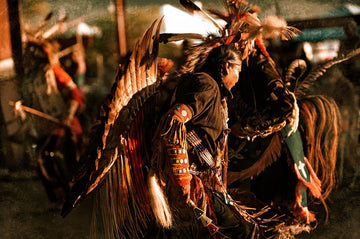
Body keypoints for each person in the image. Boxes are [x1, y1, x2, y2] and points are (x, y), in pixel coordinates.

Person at [148, 44, 255, 238]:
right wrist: (183, 180)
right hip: (188, 184)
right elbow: (174, 120)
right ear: (226, 67)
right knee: (240, 231)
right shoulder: (206, 85)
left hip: (196, 180)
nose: (238, 78)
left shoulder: (207, 85)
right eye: (238, 71)